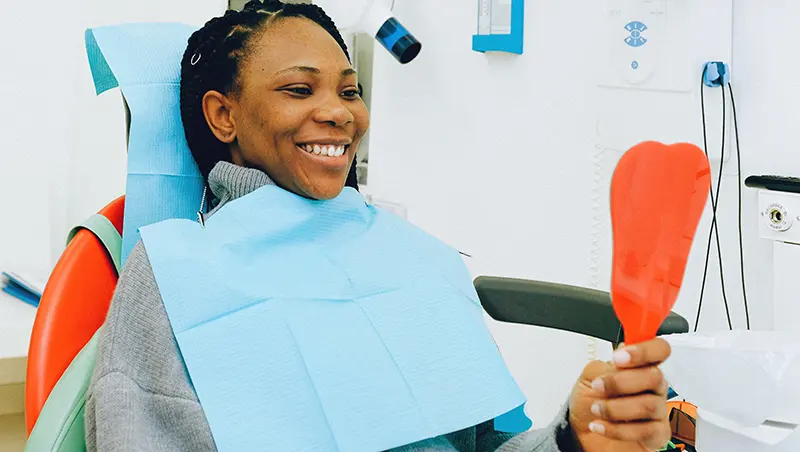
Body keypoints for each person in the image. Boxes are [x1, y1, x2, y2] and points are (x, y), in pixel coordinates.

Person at [85, 1, 672, 451]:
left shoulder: (414, 258)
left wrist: (573, 436)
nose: (340, 111)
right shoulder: (176, 270)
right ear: (223, 114)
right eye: (298, 88)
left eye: (349, 89)